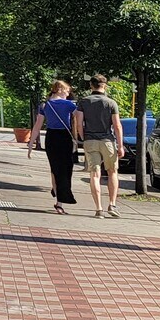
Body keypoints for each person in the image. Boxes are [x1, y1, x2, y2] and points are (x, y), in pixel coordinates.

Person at [76, 74, 124, 218]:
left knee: (94, 174)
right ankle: (112, 204)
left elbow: (79, 123)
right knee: (112, 172)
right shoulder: (111, 103)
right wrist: (120, 145)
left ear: (91, 86)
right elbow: (117, 125)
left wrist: (83, 137)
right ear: (105, 86)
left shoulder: (83, 102)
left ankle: (98, 209)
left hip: (90, 140)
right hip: (107, 141)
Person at [31, 79, 78, 213]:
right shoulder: (69, 105)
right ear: (59, 90)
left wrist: (31, 143)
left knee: (55, 168)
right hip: (65, 137)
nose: (68, 94)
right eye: (67, 91)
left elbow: (38, 125)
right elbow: (80, 119)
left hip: (51, 137)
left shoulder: (45, 105)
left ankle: (57, 194)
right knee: (65, 169)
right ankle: (59, 201)